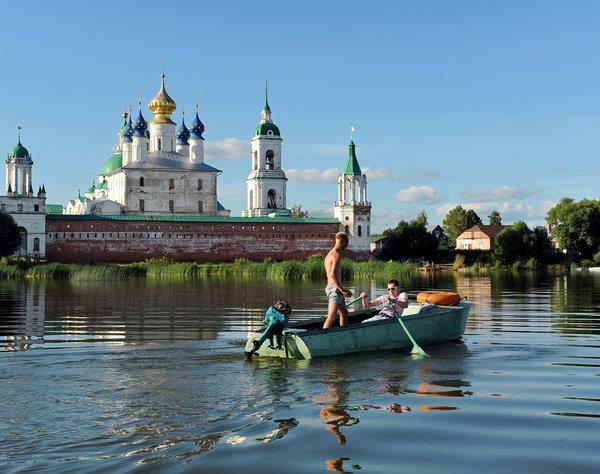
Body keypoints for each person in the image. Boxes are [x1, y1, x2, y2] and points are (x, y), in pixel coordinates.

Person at [323, 232, 352, 329]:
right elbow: (333, 275)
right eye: (347, 242)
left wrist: (341, 290)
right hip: (334, 289)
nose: (347, 245)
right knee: (331, 316)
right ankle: (323, 337)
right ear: (344, 241)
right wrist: (343, 290)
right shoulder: (336, 255)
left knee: (344, 314)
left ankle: (344, 333)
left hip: (335, 288)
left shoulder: (329, 254)